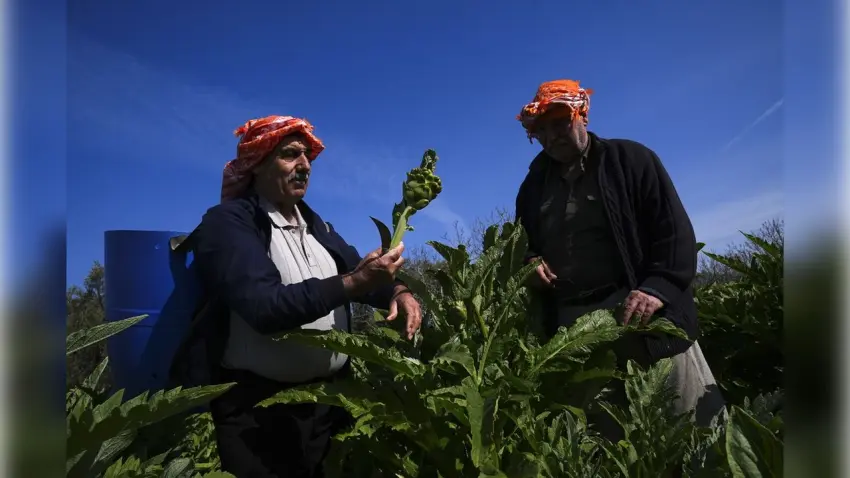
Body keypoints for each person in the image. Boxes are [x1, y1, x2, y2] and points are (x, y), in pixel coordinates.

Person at [170, 115, 422, 477]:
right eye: (290, 155)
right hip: (259, 418)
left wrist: (398, 290)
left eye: (307, 156)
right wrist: (354, 283)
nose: (304, 165)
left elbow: (361, 271)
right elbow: (264, 307)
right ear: (257, 163)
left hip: (327, 408)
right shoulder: (228, 224)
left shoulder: (318, 227)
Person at [513, 80, 725, 439]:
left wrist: (657, 288)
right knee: (606, 438)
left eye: (560, 123)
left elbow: (673, 230)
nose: (551, 137)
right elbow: (519, 245)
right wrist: (530, 262)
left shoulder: (630, 160)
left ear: (581, 116)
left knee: (691, 428)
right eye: (541, 130)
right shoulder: (532, 188)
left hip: (642, 313)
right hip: (575, 327)